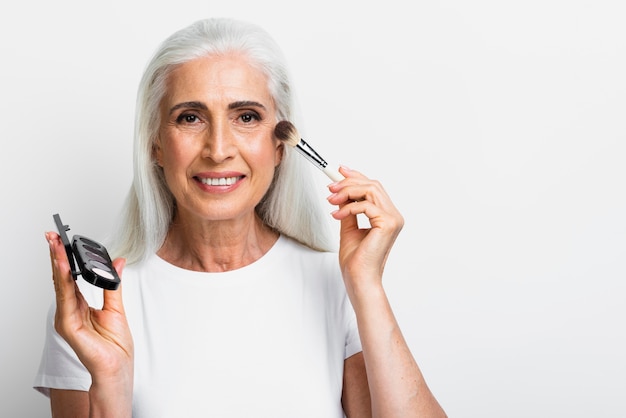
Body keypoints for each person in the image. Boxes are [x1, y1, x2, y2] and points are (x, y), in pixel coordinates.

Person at [34, 17, 447, 417]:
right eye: (190, 117)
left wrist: (367, 287)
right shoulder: (94, 305)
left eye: (246, 117)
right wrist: (110, 381)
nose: (218, 148)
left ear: (282, 144)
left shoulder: (337, 284)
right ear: (156, 145)